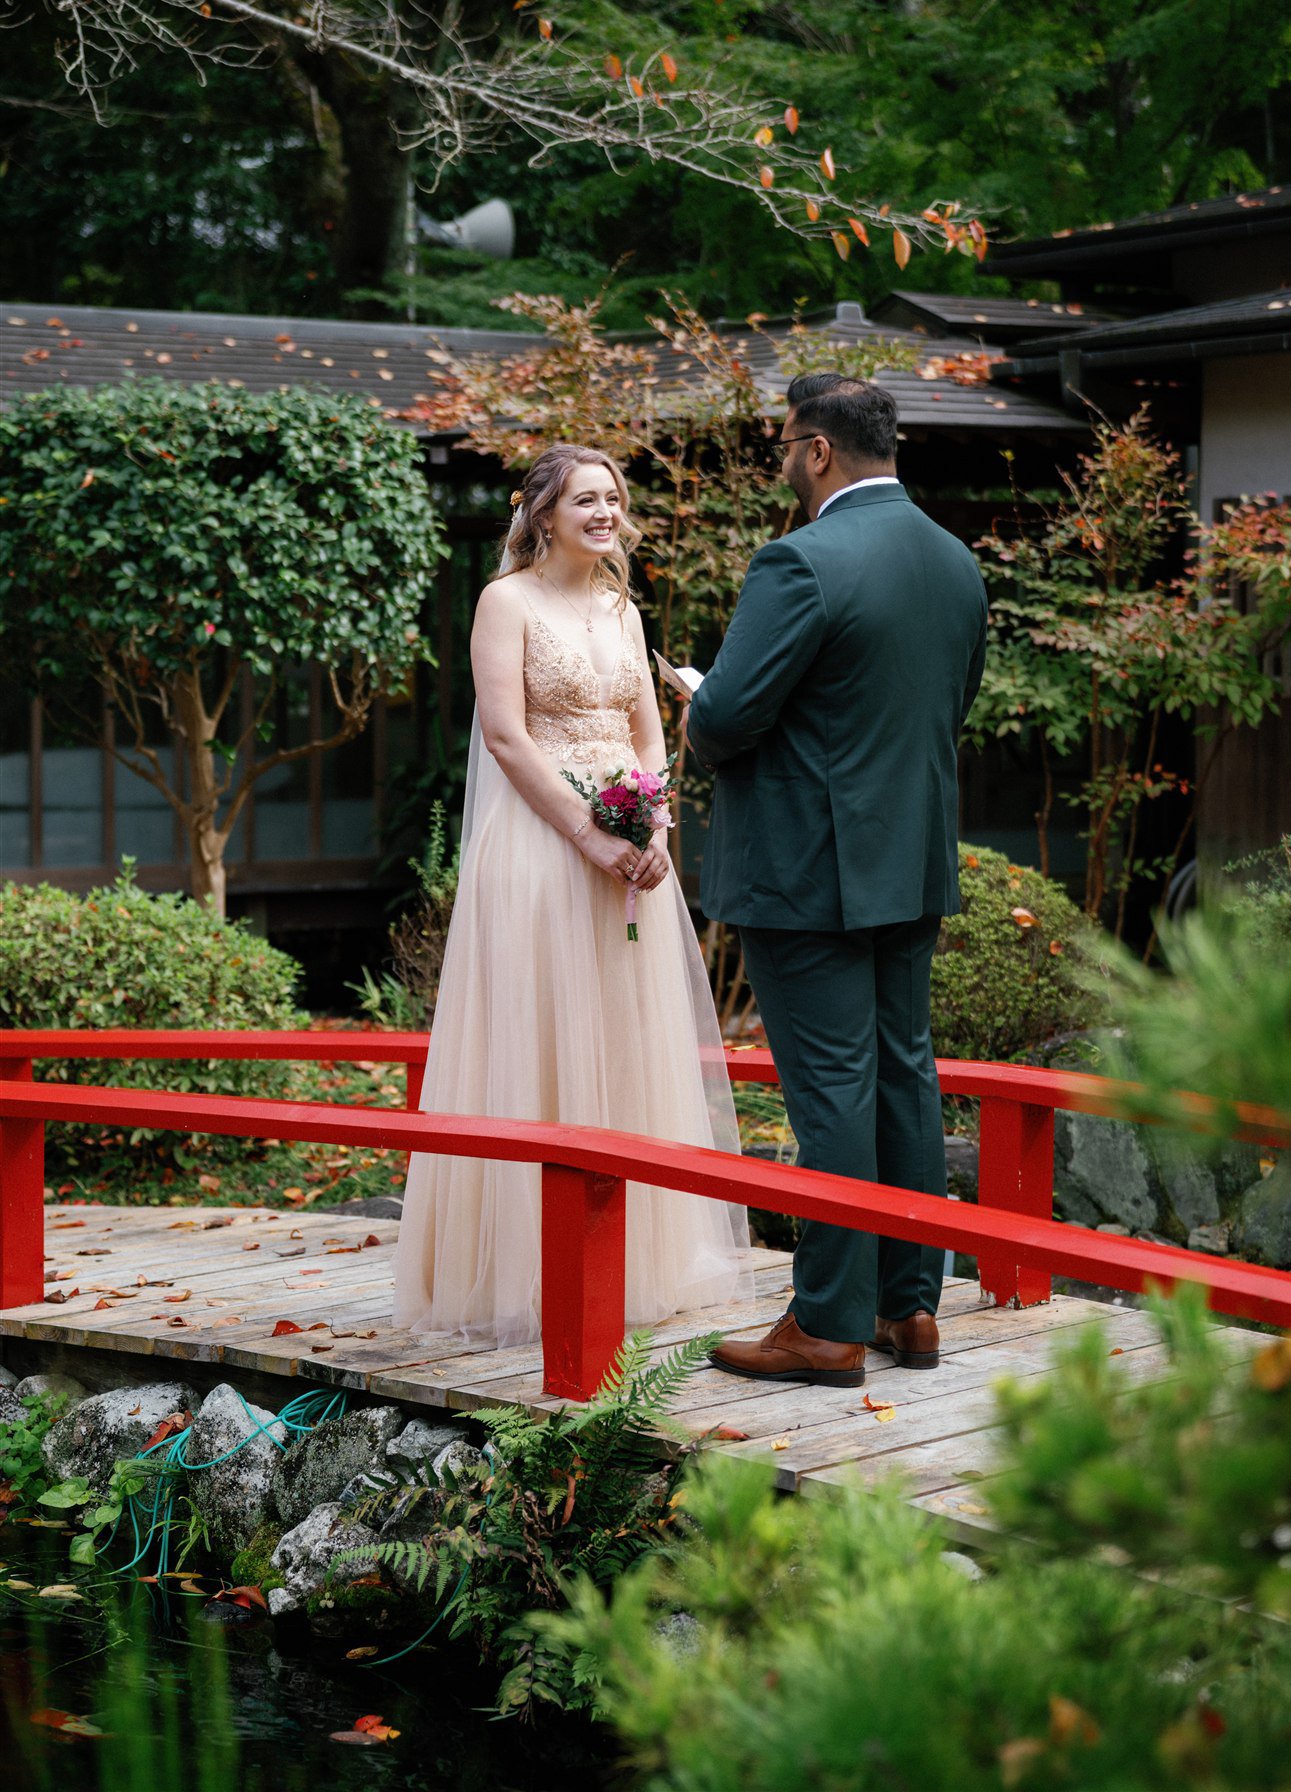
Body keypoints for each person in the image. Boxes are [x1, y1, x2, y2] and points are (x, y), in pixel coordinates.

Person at [392, 443, 751, 1348]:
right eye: (585, 499)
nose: (604, 513)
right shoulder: (503, 602)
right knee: (541, 1036)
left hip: (629, 855)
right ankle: (520, 1267)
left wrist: (656, 833)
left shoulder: (620, 607)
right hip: (543, 844)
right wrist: (587, 833)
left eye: (614, 499)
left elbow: (648, 732)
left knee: (625, 1040)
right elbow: (508, 738)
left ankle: (638, 1259)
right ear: (542, 511)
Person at [686, 374, 988, 1389]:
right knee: (905, 1075)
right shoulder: (956, 564)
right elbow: (943, 711)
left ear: (816, 450)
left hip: (805, 872)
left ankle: (825, 1325)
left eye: (784, 443)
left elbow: (728, 718)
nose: (782, 459)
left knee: (832, 1098)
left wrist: (694, 704)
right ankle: (911, 1303)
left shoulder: (800, 562)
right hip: (910, 859)